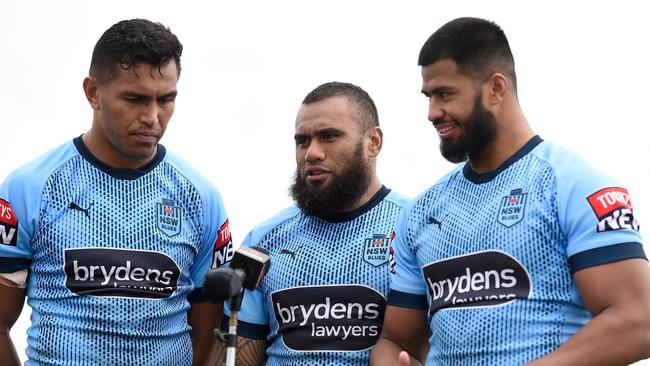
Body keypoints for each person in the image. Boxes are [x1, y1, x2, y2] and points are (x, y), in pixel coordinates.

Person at [370, 17, 650, 366]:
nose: (431, 113)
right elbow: (395, 340)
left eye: (445, 94)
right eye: (428, 97)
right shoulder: (421, 210)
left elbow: (639, 321)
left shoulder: (573, 184)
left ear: (496, 89)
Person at [0, 19, 233, 365]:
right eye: (135, 99)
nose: (152, 117)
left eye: (166, 99)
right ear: (93, 92)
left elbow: (208, 336)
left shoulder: (201, 197)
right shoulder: (30, 187)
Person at [213, 82, 408, 366]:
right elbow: (238, 357)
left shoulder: (415, 227)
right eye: (302, 141)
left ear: (373, 142)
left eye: (329, 136)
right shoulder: (264, 241)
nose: (311, 153)